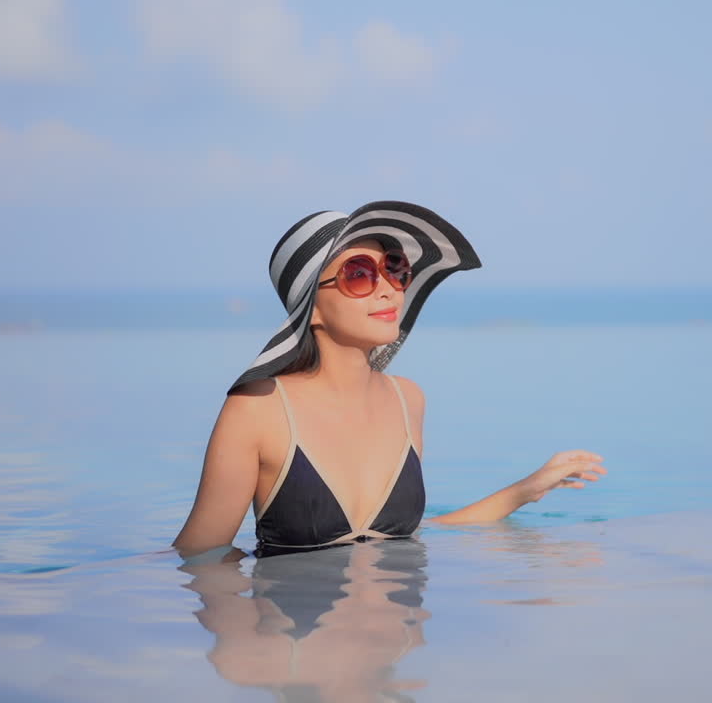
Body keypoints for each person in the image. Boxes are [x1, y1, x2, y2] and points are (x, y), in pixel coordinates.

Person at [173, 201, 607, 558]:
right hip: (300, 659)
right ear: (313, 308)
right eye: (359, 273)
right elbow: (201, 557)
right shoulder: (257, 409)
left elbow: (411, 536)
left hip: (400, 654)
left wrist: (524, 490)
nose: (389, 288)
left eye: (395, 268)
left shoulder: (407, 399)